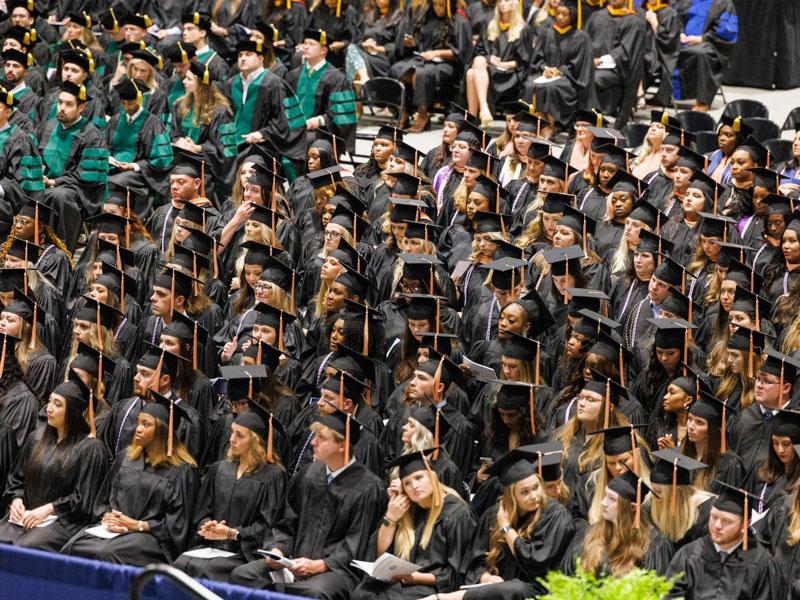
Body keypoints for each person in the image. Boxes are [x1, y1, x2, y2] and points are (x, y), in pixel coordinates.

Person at [229, 409, 388, 599]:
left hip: (336, 571)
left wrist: (321, 565)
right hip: (294, 561)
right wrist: (278, 550)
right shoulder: (308, 474)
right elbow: (285, 522)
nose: (313, 442)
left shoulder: (368, 487)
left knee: (313, 592)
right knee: (242, 575)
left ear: (342, 445)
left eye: (321, 438)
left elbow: (357, 545)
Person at [64, 390, 200, 565]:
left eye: (146, 424)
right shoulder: (125, 458)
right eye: (139, 423)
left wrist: (137, 525)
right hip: (114, 531)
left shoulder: (182, 471)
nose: (138, 429)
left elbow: (179, 525)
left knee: (107, 553)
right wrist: (107, 517)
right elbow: (102, 502)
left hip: (152, 538)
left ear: (162, 431)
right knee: (74, 545)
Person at [174, 400, 287, 581]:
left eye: (239, 435)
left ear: (256, 441)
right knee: (181, 563)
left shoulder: (272, 476)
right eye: (232, 432)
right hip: (212, 548)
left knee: (210, 571)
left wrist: (233, 533)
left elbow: (269, 525)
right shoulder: (219, 469)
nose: (231, 439)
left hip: (244, 553)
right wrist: (208, 526)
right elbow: (203, 512)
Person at [0, 374, 108, 551]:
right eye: (50, 402)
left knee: (26, 547)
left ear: (73, 412)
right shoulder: (35, 440)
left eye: (58, 405)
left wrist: (50, 509)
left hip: (63, 522)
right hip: (27, 516)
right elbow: (17, 480)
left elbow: (84, 499)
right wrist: (17, 500)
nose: (49, 409)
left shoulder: (90, 449)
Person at [351, 449, 476, 599]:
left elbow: (459, 574)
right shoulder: (408, 510)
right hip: (403, 582)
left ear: (432, 476)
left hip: (434, 589)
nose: (414, 486)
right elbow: (380, 556)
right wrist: (390, 518)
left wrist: (416, 577)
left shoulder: (457, 514)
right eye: (407, 483)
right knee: (361, 593)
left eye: (419, 477)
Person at [666, 482, 782, 598]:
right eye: (714, 517)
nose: (717, 525)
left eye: (727, 521)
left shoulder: (762, 564)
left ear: (745, 524)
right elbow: (671, 594)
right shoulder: (689, 554)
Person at [36, 80, 108, 252]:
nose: (62, 108)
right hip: (45, 183)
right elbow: (32, 158)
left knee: (58, 196)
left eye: (69, 104)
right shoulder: (47, 127)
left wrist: (53, 182)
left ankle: (59, 252)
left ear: (81, 108)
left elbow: (87, 175)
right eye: (60, 102)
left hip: (78, 189)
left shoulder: (92, 135)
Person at [221, 39, 306, 176]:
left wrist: (262, 133)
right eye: (240, 55)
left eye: (248, 54)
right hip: (232, 143)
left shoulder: (273, 83)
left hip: (262, 144)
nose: (243, 58)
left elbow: (283, 120)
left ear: (260, 59)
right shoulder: (231, 84)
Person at [106, 78, 174, 210]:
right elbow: (105, 148)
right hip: (112, 170)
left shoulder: (154, 123)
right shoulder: (114, 121)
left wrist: (133, 166)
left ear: (139, 99)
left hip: (141, 175)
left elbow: (162, 160)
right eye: (123, 103)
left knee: (115, 182)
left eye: (130, 103)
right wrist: (109, 159)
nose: (126, 107)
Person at [288, 30, 358, 153]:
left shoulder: (337, 78)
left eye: (311, 44)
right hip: (294, 128)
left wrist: (319, 120)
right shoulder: (294, 75)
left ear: (323, 50)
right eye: (305, 43)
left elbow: (342, 113)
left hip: (323, 132)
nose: (306, 47)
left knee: (302, 143)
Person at [676, 0, 738, 112]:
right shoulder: (688, 1)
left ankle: (702, 101)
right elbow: (678, 19)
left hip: (710, 43)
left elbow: (726, 30)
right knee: (664, 50)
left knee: (701, 53)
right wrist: (681, 33)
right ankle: (663, 97)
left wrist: (701, 39)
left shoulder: (724, 3)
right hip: (683, 42)